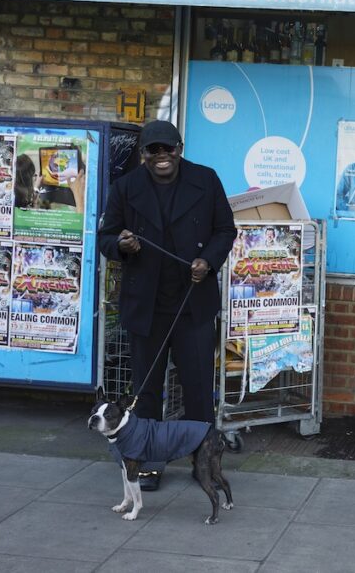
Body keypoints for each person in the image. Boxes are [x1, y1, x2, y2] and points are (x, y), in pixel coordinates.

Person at [98, 120, 236, 491]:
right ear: (143, 153)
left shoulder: (206, 180)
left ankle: (203, 462)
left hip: (193, 303)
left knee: (197, 390)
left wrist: (208, 261)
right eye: (153, 150)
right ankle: (148, 464)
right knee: (146, 393)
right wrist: (121, 245)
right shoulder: (125, 187)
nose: (162, 156)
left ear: (180, 148)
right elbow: (106, 237)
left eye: (168, 149)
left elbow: (226, 229)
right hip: (146, 305)